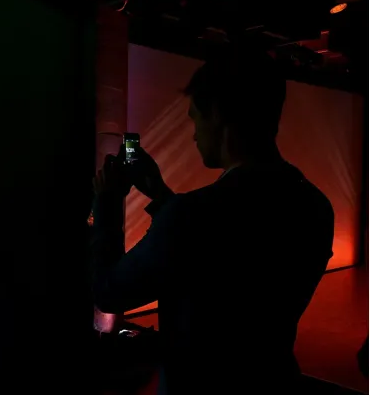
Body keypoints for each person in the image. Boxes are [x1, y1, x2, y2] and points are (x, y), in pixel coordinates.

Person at [90, 48, 335, 394]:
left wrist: (109, 206)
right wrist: (162, 196)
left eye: (195, 118)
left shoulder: (191, 217)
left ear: (218, 115)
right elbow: (216, 249)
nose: (193, 134)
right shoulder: (315, 206)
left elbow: (109, 292)